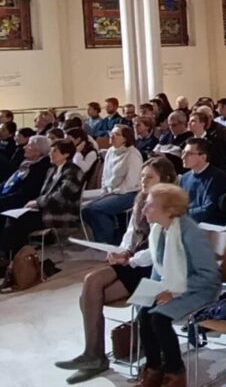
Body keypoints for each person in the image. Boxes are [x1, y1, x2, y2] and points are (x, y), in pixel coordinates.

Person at [53, 158, 178, 384]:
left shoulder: (171, 204)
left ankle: (95, 355)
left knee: (89, 297)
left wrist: (130, 259)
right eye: (141, 176)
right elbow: (131, 232)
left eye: (149, 177)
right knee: (91, 283)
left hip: (151, 267)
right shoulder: (141, 199)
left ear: (165, 180)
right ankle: (92, 354)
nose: (143, 181)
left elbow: (159, 248)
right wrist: (119, 251)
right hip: (132, 259)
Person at [135, 183, 220, 387]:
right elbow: (159, 264)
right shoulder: (159, 230)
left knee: (159, 318)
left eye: (150, 206)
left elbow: (209, 276)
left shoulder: (190, 231)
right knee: (143, 313)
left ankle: (175, 372)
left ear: (169, 210)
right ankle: (154, 368)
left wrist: (173, 291)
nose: (144, 210)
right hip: (172, 286)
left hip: (199, 290)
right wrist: (155, 290)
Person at [0, 138, 82, 269]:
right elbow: (44, 193)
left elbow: (59, 197)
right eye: (50, 151)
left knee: (18, 222)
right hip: (45, 209)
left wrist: (36, 203)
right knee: (11, 217)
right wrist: (35, 204)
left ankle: (13, 259)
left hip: (61, 213)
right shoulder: (52, 170)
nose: (50, 154)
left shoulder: (74, 172)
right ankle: (12, 258)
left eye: (55, 151)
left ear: (66, 154)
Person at [82, 125, 143, 244]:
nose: (112, 136)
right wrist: (105, 190)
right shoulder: (110, 151)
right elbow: (105, 174)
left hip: (128, 193)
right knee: (85, 209)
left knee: (94, 209)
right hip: (111, 191)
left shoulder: (132, 154)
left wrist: (112, 193)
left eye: (116, 134)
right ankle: (109, 236)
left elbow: (131, 182)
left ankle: (108, 241)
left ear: (125, 138)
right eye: (111, 133)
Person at [178, 138, 226, 225]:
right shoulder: (184, 178)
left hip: (210, 226)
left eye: (189, 154)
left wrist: (182, 215)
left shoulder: (217, 177)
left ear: (203, 157)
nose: (183, 157)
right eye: (183, 152)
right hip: (188, 223)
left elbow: (208, 209)